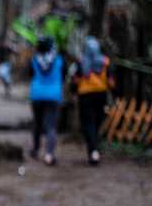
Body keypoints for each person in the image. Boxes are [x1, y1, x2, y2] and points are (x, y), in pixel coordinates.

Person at [72, 37, 115, 165]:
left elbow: (75, 81)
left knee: (88, 123)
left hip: (85, 96)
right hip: (101, 95)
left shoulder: (81, 62)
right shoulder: (105, 62)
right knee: (96, 122)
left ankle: (93, 150)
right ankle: (95, 150)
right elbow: (111, 82)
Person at [29, 36, 65, 166]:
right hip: (54, 96)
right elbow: (64, 76)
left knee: (37, 124)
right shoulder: (59, 60)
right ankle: (49, 155)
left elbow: (30, 74)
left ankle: (35, 150)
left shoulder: (34, 59)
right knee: (51, 126)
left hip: (37, 94)